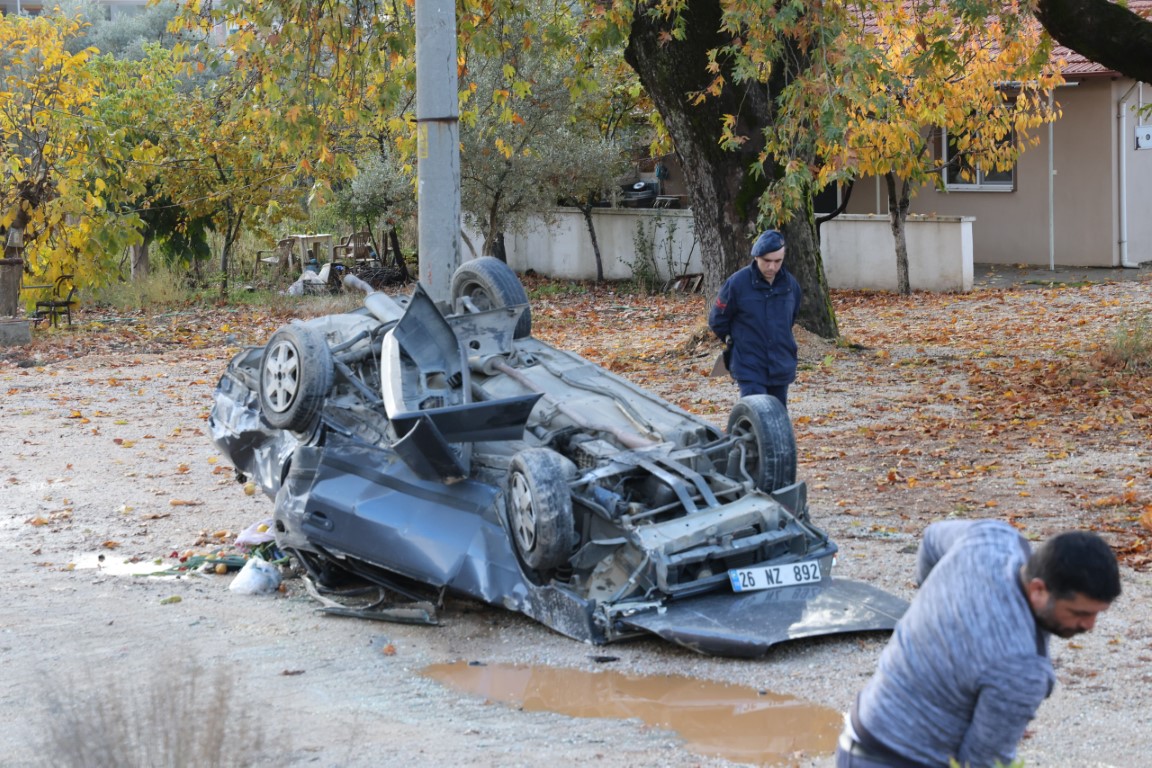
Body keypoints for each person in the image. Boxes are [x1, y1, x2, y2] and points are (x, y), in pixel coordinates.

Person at [837, 520, 1121, 768]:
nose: (1089, 626)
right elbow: (979, 763)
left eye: (1097, 613)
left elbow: (932, 539)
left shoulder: (991, 539)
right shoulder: (1022, 667)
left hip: (860, 730)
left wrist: (931, 611)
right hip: (900, 759)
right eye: (1079, 613)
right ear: (1038, 589)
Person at [707, 229, 802, 408]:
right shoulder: (737, 284)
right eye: (767, 261)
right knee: (755, 414)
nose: (772, 267)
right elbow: (718, 320)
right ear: (756, 257)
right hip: (749, 364)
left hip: (780, 364)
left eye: (777, 261)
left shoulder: (790, 285)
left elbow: (791, 318)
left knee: (777, 419)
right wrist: (733, 340)